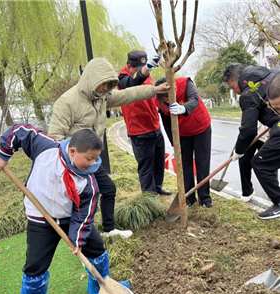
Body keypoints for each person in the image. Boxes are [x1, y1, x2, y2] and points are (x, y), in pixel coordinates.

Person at [0, 124, 130, 294]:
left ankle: (99, 286)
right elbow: (19, 131)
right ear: (72, 151)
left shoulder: (88, 181)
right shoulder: (45, 148)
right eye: (89, 159)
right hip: (40, 217)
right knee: (35, 266)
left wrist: (76, 240)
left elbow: (84, 215)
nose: (93, 163)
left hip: (69, 217)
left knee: (96, 248)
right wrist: (4, 154)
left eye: (96, 159)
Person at [48, 58, 170, 238]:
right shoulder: (67, 102)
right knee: (82, 198)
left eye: (108, 85)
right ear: (92, 80)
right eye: (103, 84)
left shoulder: (101, 98)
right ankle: (74, 233)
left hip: (91, 161)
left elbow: (129, 94)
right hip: (72, 164)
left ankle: (108, 229)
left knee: (108, 189)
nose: (105, 88)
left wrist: (154, 90)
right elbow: (54, 138)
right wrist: (69, 161)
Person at [222, 63, 280, 219]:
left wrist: (239, 151)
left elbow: (248, 130)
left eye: (233, 86)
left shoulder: (248, 94)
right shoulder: (271, 73)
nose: (234, 91)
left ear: (239, 78)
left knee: (261, 163)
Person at [118, 51, 172, 195]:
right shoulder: (123, 79)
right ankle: (149, 195)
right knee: (146, 165)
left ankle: (158, 186)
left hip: (154, 125)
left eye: (146, 67)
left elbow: (152, 97)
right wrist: (145, 70)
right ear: (129, 66)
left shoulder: (148, 77)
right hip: (139, 131)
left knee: (159, 161)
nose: (144, 71)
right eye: (140, 68)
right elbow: (131, 82)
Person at [155, 77, 213, 207]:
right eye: (166, 101)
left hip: (200, 127)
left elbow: (195, 100)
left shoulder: (185, 83)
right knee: (185, 164)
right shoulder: (158, 100)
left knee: (202, 163)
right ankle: (189, 197)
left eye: (171, 99)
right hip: (182, 133)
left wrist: (183, 108)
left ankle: (204, 197)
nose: (169, 102)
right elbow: (166, 123)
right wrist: (174, 144)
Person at [239, 122, 269, 202]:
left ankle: (273, 191)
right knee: (243, 161)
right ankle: (247, 191)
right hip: (251, 134)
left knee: (268, 165)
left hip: (268, 137)